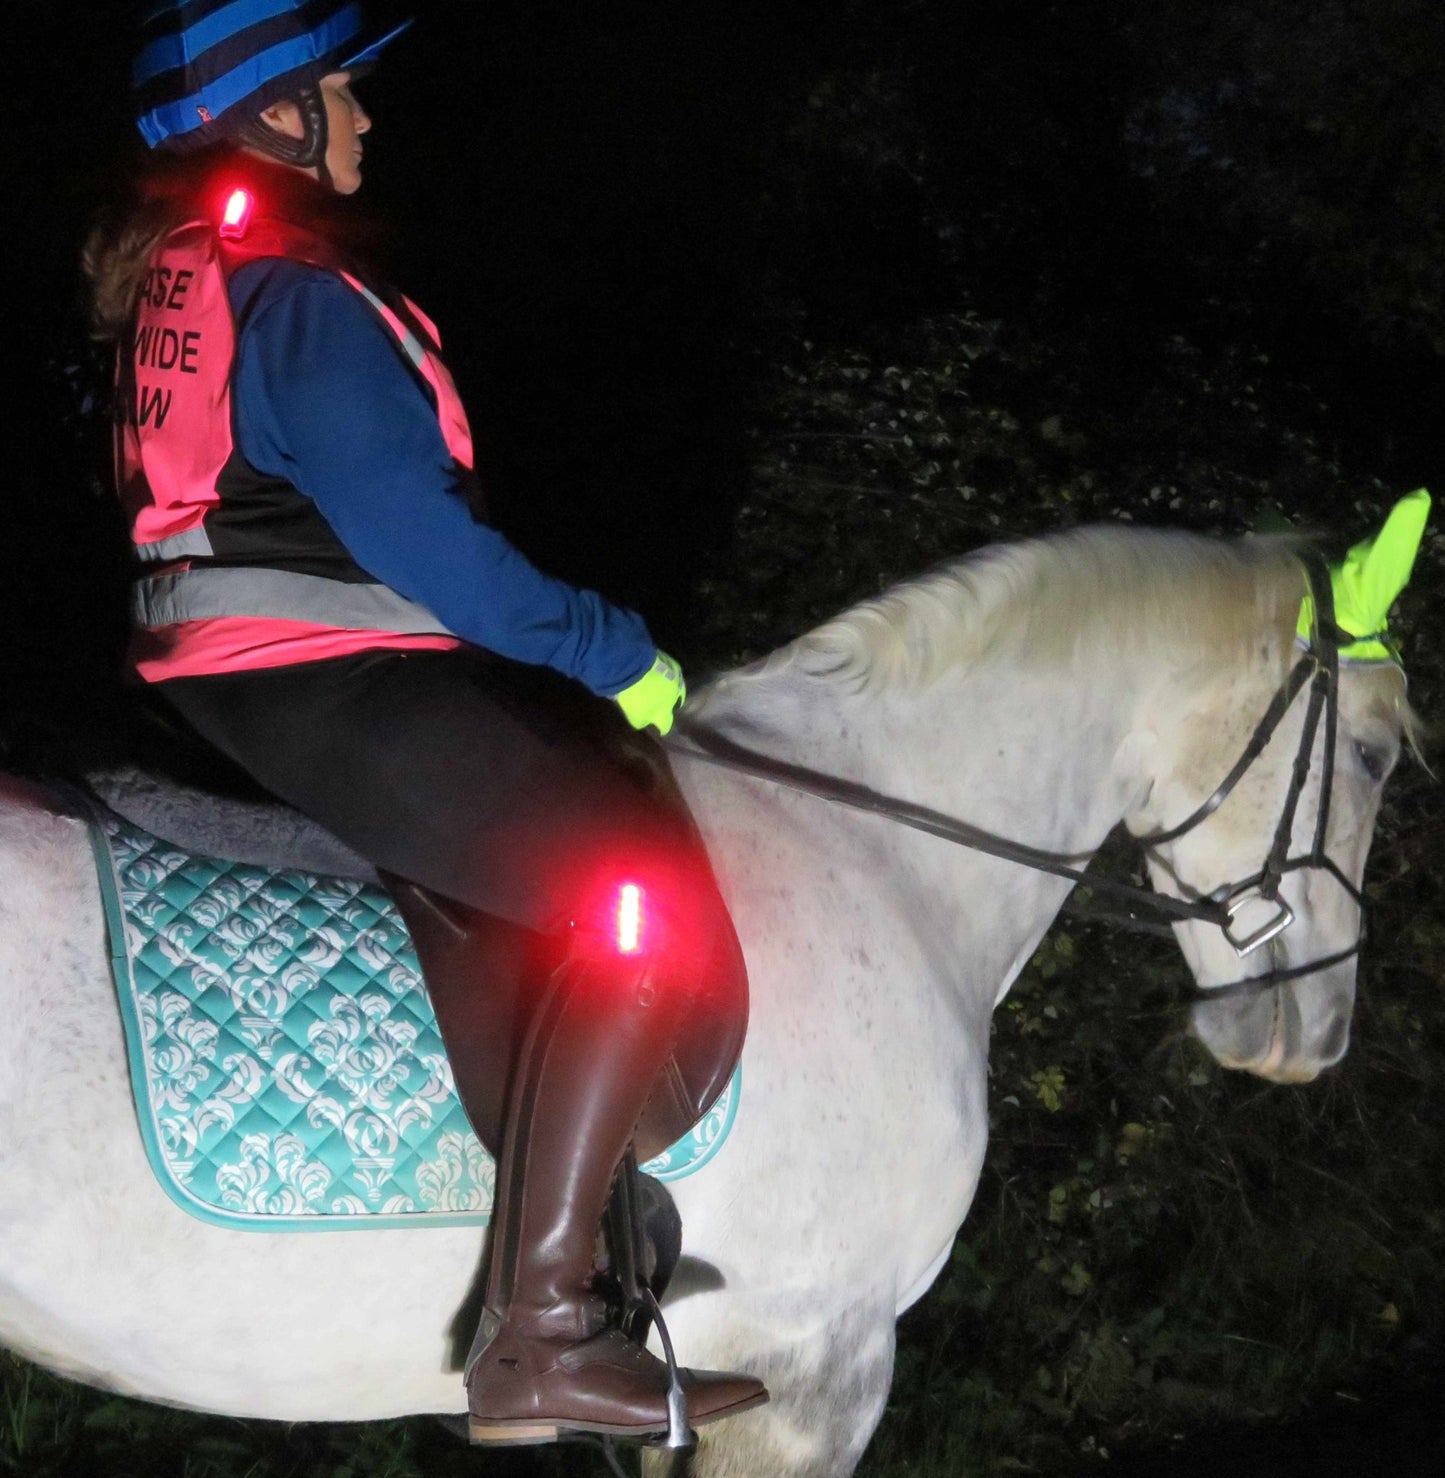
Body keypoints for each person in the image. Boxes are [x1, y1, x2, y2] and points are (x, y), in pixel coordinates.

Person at [85, 0, 766, 1446]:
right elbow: (430, 552)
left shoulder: (178, 279)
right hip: (330, 687)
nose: (368, 116)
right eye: (346, 89)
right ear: (276, 116)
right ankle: (539, 1336)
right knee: (636, 904)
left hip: (218, 682)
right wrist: (614, 650)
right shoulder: (300, 293)